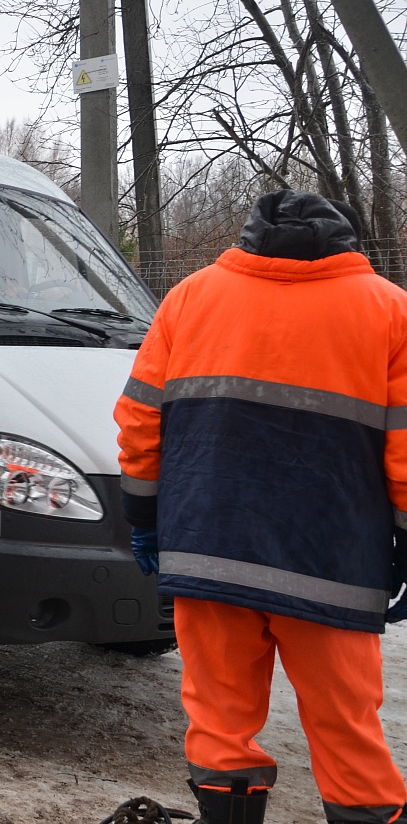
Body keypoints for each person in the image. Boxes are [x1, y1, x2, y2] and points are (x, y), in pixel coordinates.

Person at [115, 189, 407, 824]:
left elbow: (142, 421)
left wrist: (144, 516)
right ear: (348, 242)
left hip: (210, 551)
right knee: (347, 732)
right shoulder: (390, 311)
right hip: (329, 562)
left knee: (218, 723)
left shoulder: (191, 298)